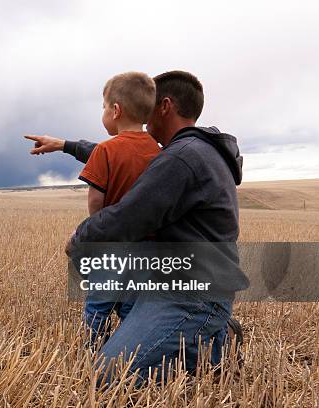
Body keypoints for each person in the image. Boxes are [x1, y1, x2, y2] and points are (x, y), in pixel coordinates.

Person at [25, 70, 246, 385]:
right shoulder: (188, 152)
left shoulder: (182, 159)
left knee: (105, 379)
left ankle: (210, 344)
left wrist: (79, 241)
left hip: (191, 296)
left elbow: (126, 217)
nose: (143, 117)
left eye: (151, 105)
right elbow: (121, 154)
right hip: (173, 284)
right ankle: (204, 336)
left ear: (164, 106)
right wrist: (65, 145)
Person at [75, 72, 161, 346]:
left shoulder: (105, 150)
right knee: (130, 308)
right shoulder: (158, 150)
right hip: (146, 248)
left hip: (111, 245)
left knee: (98, 305)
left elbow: (95, 200)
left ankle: (92, 353)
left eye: (103, 107)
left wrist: (98, 227)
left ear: (115, 110)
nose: (103, 112)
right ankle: (126, 351)